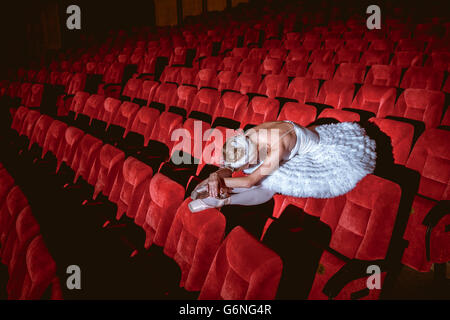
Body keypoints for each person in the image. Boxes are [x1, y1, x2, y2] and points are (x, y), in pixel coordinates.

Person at [188, 120, 377, 213]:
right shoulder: (248, 137)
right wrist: (215, 176)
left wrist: (221, 182)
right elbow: (230, 166)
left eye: (246, 163)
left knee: (268, 183)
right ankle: (215, 196)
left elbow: (249, 181)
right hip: (291, 143)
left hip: (320, 151)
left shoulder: (279, 144)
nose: (245, 167)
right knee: (255, 174)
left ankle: (224, 201)